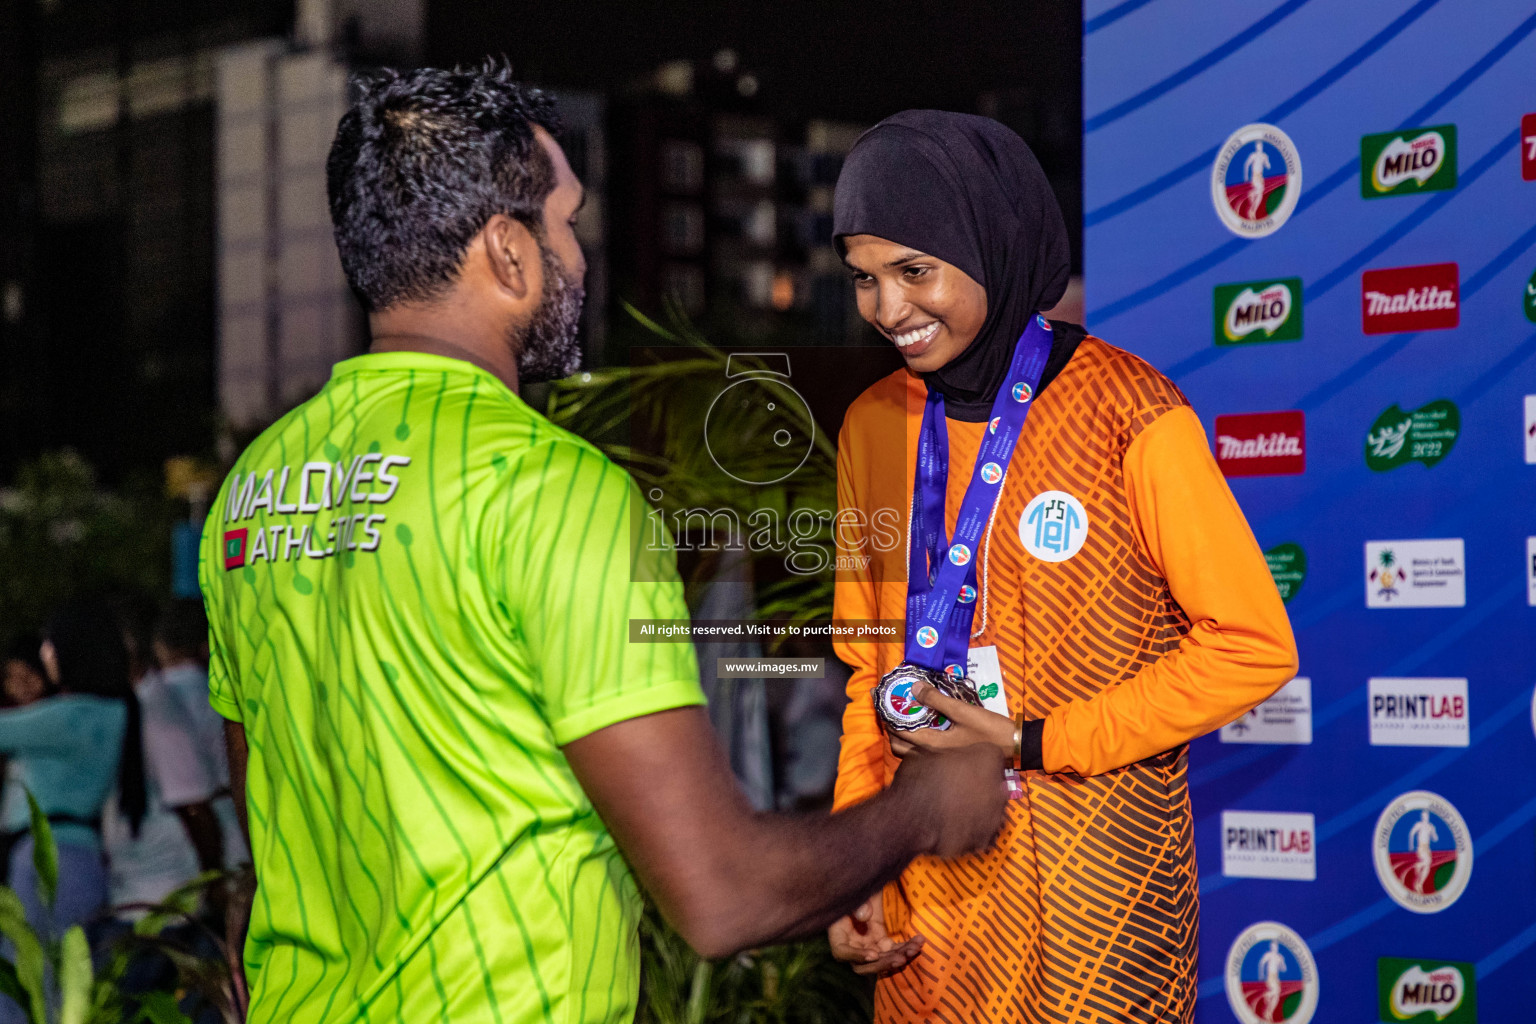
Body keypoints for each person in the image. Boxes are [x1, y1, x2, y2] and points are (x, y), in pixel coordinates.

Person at [199, 63, 1009, 1024]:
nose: (578, 262)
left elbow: (276, 811)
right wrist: (929, 804)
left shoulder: (254, 488)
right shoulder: (547, 489)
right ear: (508, 252)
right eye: (566, 225)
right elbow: (720, 896)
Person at [824, 111, 1298, 1023]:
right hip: (934, 905)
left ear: (993, 247)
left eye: (914, 271)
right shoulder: (872, 424)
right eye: (863, 279)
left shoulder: (1131, 411)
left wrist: (1033, 739)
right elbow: (868, 670)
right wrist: (859, 856)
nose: (888, 310)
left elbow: (1251, 645)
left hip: (1103, 910)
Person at [0, 600, 146, 1024]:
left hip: (49, 861)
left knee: (27, 985)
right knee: (68, 987)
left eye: (49, 645)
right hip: (80, 861)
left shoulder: (75, 716)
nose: (45, 655)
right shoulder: (114, 709)